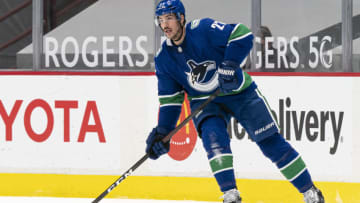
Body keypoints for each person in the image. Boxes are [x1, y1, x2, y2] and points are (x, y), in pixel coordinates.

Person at [145, 0, 325, 202]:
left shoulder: (202, 29)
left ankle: (310, 192)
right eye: (161, 20)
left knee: (269, 141)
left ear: (181, 18)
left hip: (240, 93)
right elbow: (171, 100)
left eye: (169, 18)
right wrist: (163, 132)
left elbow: (242, 34)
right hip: (205, 102)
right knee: (215, 141)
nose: (165, 24)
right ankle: (230, 195)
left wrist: (230, 64)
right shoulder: (163, 59)